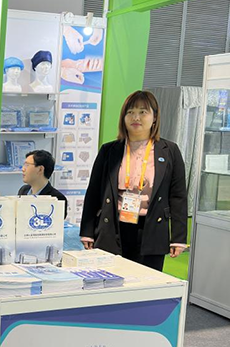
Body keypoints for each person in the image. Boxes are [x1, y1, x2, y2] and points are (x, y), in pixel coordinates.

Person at [80, 90, 187, 271]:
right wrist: (87, 231)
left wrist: (178, 237)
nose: (135, 117)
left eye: (142, 112)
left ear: (154, 117)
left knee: (147, 281)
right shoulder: (109, 150)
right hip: (114, 226)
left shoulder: (169, 151)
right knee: (112, 279)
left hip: (152, 227)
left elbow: (178, 196)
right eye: (130, 112)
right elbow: (94, 192)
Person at [18, 150, 68, 219]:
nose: (23, 169)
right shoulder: (23, 190)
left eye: (27, 165)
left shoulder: (57, 198)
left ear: (40, 169)